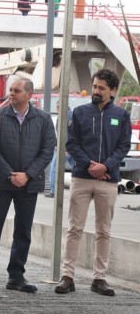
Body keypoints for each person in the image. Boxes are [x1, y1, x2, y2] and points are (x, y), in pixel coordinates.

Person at [0, 78, 55, 293]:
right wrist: (11, 175)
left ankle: (16, 277)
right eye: (10, 90)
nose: (11, 93)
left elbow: (48, 150)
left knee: (23, 230)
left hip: (29, 184)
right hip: (3, 182)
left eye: (16, 90)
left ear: (28, 94)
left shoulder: (43, 119)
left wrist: (27, 175)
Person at [55, 69, 131, 296]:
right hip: (81, 177)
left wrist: (105, 166)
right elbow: (71, 143)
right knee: (74, 229)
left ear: (113, 91)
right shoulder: (79, 113)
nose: (96, 91)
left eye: (101, 88)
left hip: (108, 180)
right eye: (95, 86)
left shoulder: (121, 115)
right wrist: (90, 165)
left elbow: (123, 146)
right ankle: (68, 276)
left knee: (104, 231)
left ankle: (99, 278)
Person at [45, 101, 74, 198]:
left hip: (64, 147)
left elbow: (64, 133)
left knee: (54, 168)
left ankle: (54, 191)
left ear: (58, 107)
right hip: (71, 147)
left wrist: (62, 147)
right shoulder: (71, 114)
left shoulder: (64, 116)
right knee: (77, 167)